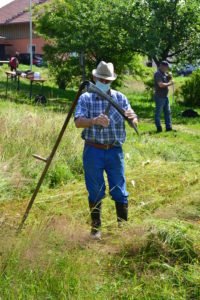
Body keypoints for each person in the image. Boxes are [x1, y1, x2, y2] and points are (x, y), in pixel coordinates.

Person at [74, 61, 138, 240]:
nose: (104, 82)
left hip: (114, 151)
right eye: (101, 79)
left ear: (112, 80)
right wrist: (94, 120)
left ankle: (123, 229)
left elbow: (133, 119)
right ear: (95, 78)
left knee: (119, 188)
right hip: (93, 150)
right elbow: (78, 121)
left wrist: (133, 118)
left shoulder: (120, 98)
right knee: (95, 189)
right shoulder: (86, 98)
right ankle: (96, 230)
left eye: (107, 80)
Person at [154, 61, 174, 132]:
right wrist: (170, 83)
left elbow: (165, 82)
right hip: (159, 96)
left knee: (167, 112)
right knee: (158, 113)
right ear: (162, 66)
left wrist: (169, 77)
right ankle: (159, 127)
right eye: (166, 67)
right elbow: (161, 85)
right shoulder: (157, 74)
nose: (167, 69)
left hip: (165, 96)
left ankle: (168, 127)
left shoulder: (164, 74)